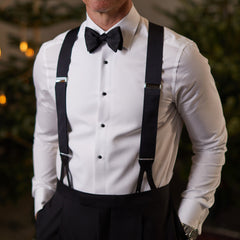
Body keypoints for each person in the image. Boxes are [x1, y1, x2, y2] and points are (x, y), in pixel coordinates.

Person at [32, 0, 227, 239]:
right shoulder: (50, 55)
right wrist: (42, 205)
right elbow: (46, 135)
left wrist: (188, 221)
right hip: (66, 217)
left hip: (146, 221)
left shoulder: (180, 55)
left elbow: (211, 143)